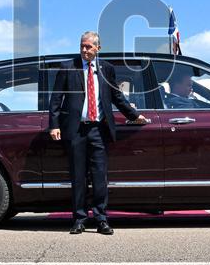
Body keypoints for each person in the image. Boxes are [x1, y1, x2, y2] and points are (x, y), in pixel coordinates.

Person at [48, 31, 149, 235]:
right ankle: (79, 219)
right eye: (82, 46)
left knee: (100, 176)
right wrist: (54, 125)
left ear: (98, 48)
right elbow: (56, 98)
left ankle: (101, 218)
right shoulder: (68, 67)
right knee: (78, 176)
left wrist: (134, 115)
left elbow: (117, 96)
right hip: (76, 130)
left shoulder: (107, 69)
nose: (84, 50)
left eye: (88, 47)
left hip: (99, 130)